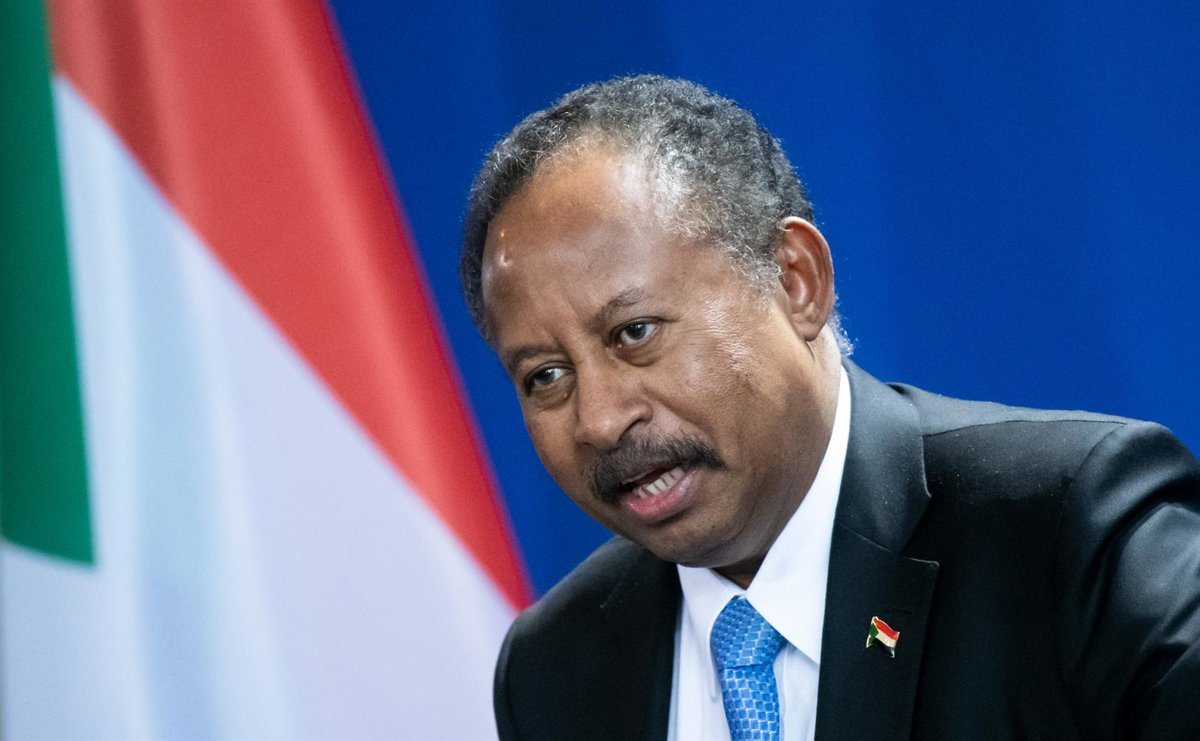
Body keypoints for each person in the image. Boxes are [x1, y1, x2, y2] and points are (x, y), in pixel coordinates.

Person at [459, 75, 1200, 740]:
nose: (598, 419)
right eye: (546, 376)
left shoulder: (1074, 531)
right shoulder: (553, 669)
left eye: (635, 333)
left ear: (795, 281)